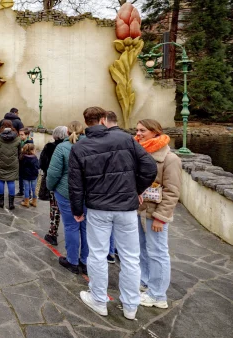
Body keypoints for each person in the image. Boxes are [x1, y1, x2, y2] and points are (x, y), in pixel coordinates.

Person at [68, 106, 157, 320]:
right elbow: (150, 168)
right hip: (125, 207)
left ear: (86, 121)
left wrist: (77, 210)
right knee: (130, 257)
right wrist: (136, 190)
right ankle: (130, 306)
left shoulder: (79, 148)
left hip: (98, 208)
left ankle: (99, 300)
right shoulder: (124, 140)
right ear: (103, 120)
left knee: (97, 255)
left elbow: (75, 184)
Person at [135, 119, 182, 310]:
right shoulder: (140, 152)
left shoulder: (171, 159)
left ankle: (158, 295)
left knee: (158, 253)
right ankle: (145, 282)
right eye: (137, 130)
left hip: (155, 214)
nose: (138, 134)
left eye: (142, 130)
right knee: (143, 250)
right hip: (140, 211)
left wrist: (161, 218)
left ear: (155, 132)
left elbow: (173, 191)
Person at [46, 121, 88, 274]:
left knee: (71, 226)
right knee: (85, 227)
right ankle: (85, 261)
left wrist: (51, 187)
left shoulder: (62, 147)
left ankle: (72, 260)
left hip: (66, 191)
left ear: (68, 132)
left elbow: (53, 172)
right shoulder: (91, 146)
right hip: (87, 192)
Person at [42, 126, 68, 246]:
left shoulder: (50, 147)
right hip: (68, 183)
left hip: (54, 182)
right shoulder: (71, 146)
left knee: (54, 208)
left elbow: (42, 164)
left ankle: (52, 233)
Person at [0, 120, 22, 209]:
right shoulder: (17, 138)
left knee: (0, 180)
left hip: (0, 163)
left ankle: (1, 201)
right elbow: (19, 151)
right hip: (13, 163)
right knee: (11, 181)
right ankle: (11, 203)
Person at [104, 110, 122, 264]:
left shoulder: (104, 139)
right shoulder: (130, 139)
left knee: (108, 224)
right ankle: (116, 250)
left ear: (104, 120)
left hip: (107, 191)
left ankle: (110, 252)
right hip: (123, 191)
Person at [19, 143, 40, 208]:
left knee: (26, 189)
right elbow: (38, 166)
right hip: (34, 176)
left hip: (25, 176)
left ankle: (26, 202)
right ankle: (34, 201)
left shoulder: (22, 157)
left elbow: (21, 167)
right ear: (32, 150)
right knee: (34, 189)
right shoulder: (35, 158)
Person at [16, 127, 34, 196]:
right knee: (20, 177)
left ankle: (29, 195)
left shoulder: (29, 142)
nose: (20, 136)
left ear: (27, 135)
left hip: (27, 163)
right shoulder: (21, 141)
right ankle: (21, 191)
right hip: (21, 162)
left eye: (22, 135)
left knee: (27, 180)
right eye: (19, 134)